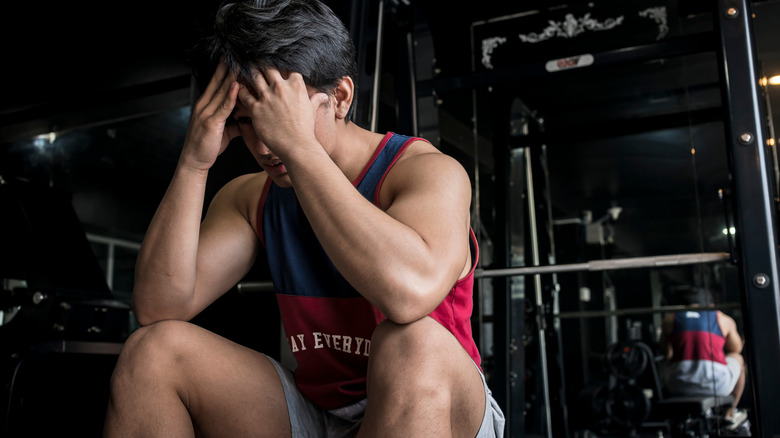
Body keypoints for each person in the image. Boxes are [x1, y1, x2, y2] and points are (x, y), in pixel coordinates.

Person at [102, 0, 505, 437]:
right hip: (321, 414)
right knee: (151, 352)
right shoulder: (252, 197)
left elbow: (409, 295)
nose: (264, 144)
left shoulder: (424, 171)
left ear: (340, 97)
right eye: (248, 123)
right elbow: (159, 307)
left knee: (410, 342)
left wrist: (299, 146)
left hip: (435, 405)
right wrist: (193, 164)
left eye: (280, 119)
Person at [659, 287, 747, 429]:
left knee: (666, 361)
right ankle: (729, 413)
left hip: (678, 386)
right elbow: (736, 349)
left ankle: (679, 419)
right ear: (711, 304)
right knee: (738, 358)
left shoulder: (670, 319)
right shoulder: (722, 318)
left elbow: (666, 352)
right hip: (716, 386)